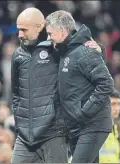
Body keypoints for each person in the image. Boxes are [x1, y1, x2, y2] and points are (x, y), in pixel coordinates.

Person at [11, 8, 103, 163]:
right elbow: (15, 93)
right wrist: (20, 121)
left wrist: (100, 49)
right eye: (18, 30)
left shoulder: (56, 48)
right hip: (25, 137)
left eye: (23, 30)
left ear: (39, 27)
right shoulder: (18, 55)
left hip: (53, 133)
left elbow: (83, 52)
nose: (19, 34)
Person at [45, 10, 114, 163]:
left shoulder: (84, 51)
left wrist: (84, 112)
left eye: (50, 34)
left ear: (62, 32)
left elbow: (106, 83)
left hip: (92, 124)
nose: (48, 38)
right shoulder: (65, 51)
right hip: (78, 126)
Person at [99, 89, 120, 163]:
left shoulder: (114, 130)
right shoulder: (97, 129)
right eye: (113, 104)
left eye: (118, 104)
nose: (117, 108)